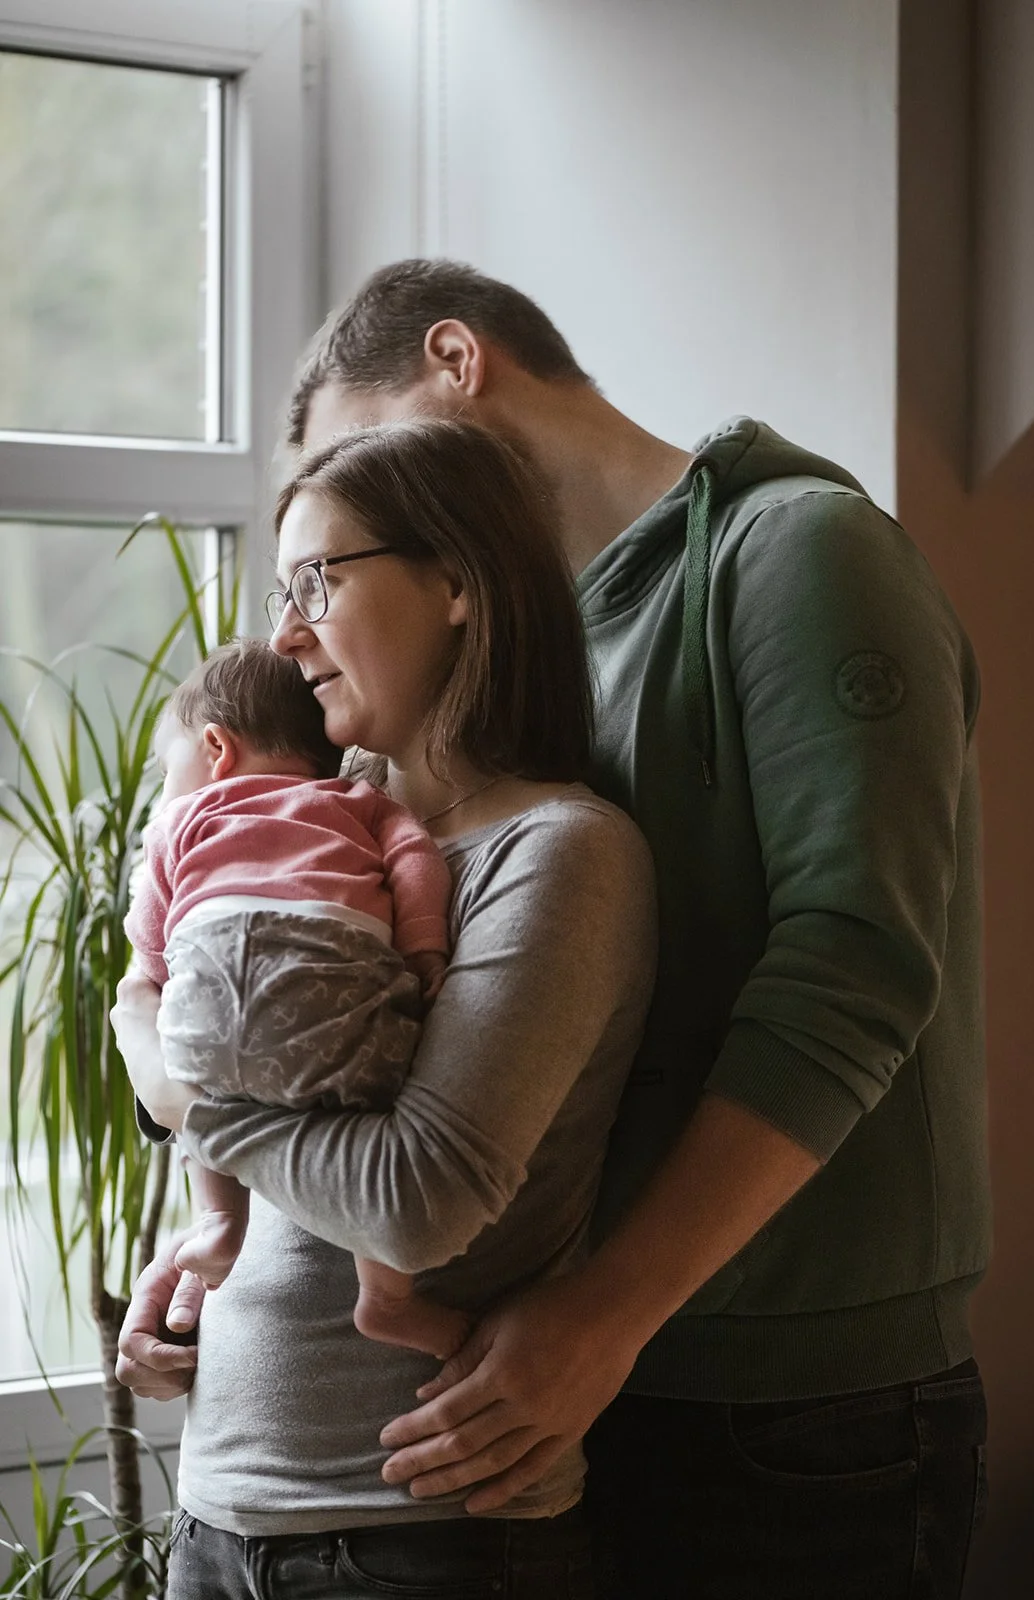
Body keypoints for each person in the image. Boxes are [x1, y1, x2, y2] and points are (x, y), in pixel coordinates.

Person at [273, 259, 985, 1599]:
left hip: (793, 1404)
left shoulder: (801, 549)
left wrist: (600, 1317)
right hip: (573, 1374)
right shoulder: (519, 658)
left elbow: (853, 969)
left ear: (456, 361)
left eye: (356, 464)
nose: (355, 515)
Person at [113, 418, 658, 1599]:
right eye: (281, 592)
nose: (283, 632)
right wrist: (198, 1278)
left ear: (456, 583)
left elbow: (413, 1204)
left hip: (422, 1535)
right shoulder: (314, 831)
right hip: (217, 1508)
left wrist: (168, 1074)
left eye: (317, 579)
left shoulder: (558, 852)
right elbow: (296, 1143)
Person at [123, 636, 473, 1361]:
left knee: (203, 1091)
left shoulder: (181, 821)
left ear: (216, 748)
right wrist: (424, 950)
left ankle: (220, 1223)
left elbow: (150, 935)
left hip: (210, 1003)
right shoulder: (362, 802)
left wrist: (153, 990)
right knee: (371, 1113)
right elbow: (416, 865)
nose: (166, 789)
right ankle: (387, 1297)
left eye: (166, 770)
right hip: (338, 999)